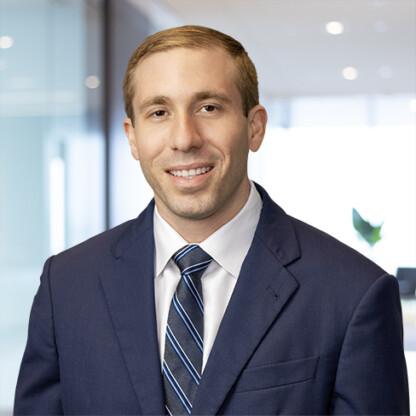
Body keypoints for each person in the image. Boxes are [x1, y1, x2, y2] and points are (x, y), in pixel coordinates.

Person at [14, 25, 409, 415]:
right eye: (159, 112)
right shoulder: (65, 285)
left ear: (254, 127)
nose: (184, 138)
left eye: (209, 107)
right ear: (132, 138)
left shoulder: (353, 293)